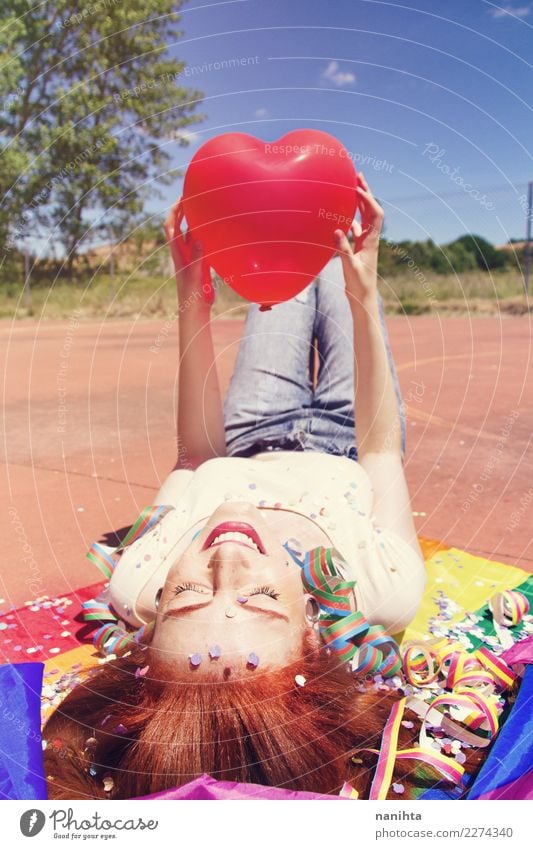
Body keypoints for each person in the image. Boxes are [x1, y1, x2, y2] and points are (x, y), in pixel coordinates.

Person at [43, 173, 435, 800]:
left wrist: (191, 296)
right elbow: (382, 449)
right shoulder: (381, 592)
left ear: (150, 632)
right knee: (338, 265)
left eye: (190, 592)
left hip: (252, 422)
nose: (228, 555)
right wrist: (366, 295)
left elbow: (197, 453)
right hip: (347, 426)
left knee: (287, 249)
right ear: (310, 631)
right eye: (258, 598)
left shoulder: (137, 579)